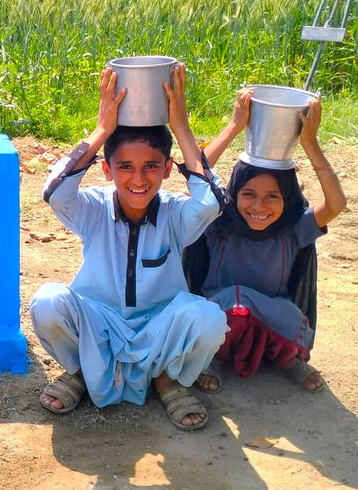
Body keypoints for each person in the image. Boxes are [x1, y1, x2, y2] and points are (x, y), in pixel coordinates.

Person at [29, 64, 229, 431]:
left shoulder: (176, 214)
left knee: (209, 319)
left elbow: (212, 202)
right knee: (47, 301)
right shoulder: (93, 208)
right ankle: (81, 372)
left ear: (167, 169)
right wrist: (102, 129)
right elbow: (54, 192)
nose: (138, 179)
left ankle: (166, 380)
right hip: (99, 323)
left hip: (159, 328)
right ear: (107, 170)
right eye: (125, 167)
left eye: (151, 166)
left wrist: (180, 126)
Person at [186, 90, 346, 394]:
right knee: (234, 306)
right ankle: (214, 359)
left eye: (273, 196)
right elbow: (195, 178)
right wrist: (234, 126)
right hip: (221, 314)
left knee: (286, 314)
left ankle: (287, 360)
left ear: (288, 199)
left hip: (272, 319)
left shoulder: (293, 228)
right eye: (248, 194)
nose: (259, 206)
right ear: (234, 194)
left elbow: (336, 204)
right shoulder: (219, 222)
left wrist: (310, 144)